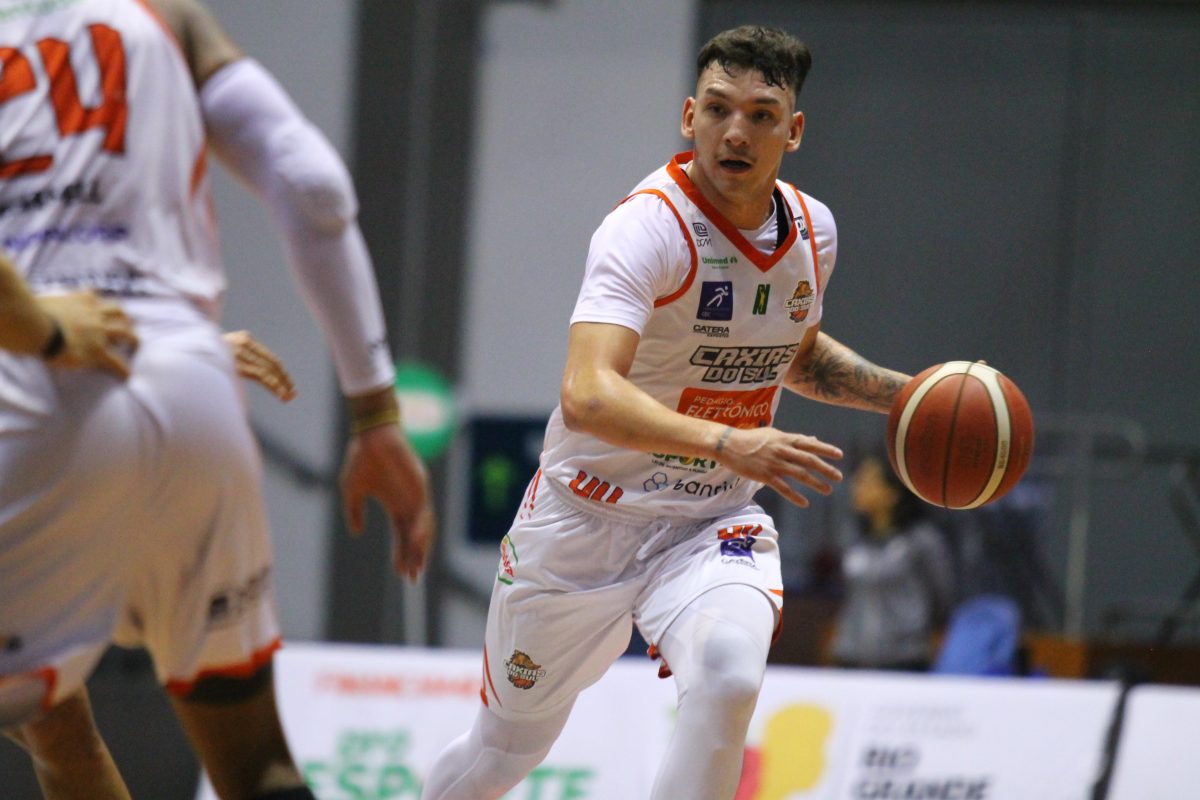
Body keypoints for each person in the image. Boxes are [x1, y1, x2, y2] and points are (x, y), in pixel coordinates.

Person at [421, 25, 911, 800]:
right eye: (718, 109)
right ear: (689, 116)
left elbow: (793, 354)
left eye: (760, 114)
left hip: (710, 520)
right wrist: (727, 440)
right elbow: (587, 392)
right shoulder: (646, 227)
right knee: (503, 753)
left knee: (729, 674)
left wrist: (909, 395)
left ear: (793, 130)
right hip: (584, 520)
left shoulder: (812, 231)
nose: (736, 132)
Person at [0, 1, 434, 798]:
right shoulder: (167, 15)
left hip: (32, 380)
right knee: (254, 761)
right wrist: (375, 413)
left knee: (55, 730)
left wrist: (41, 327)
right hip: (188, 383)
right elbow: (311, 184)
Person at [828, 449, 955, 671]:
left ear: (893, 492)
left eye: (867, 481)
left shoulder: (922, 540)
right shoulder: (853, 539)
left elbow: (942, 599)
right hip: (851, 658)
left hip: (905, 661)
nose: (857, 486)